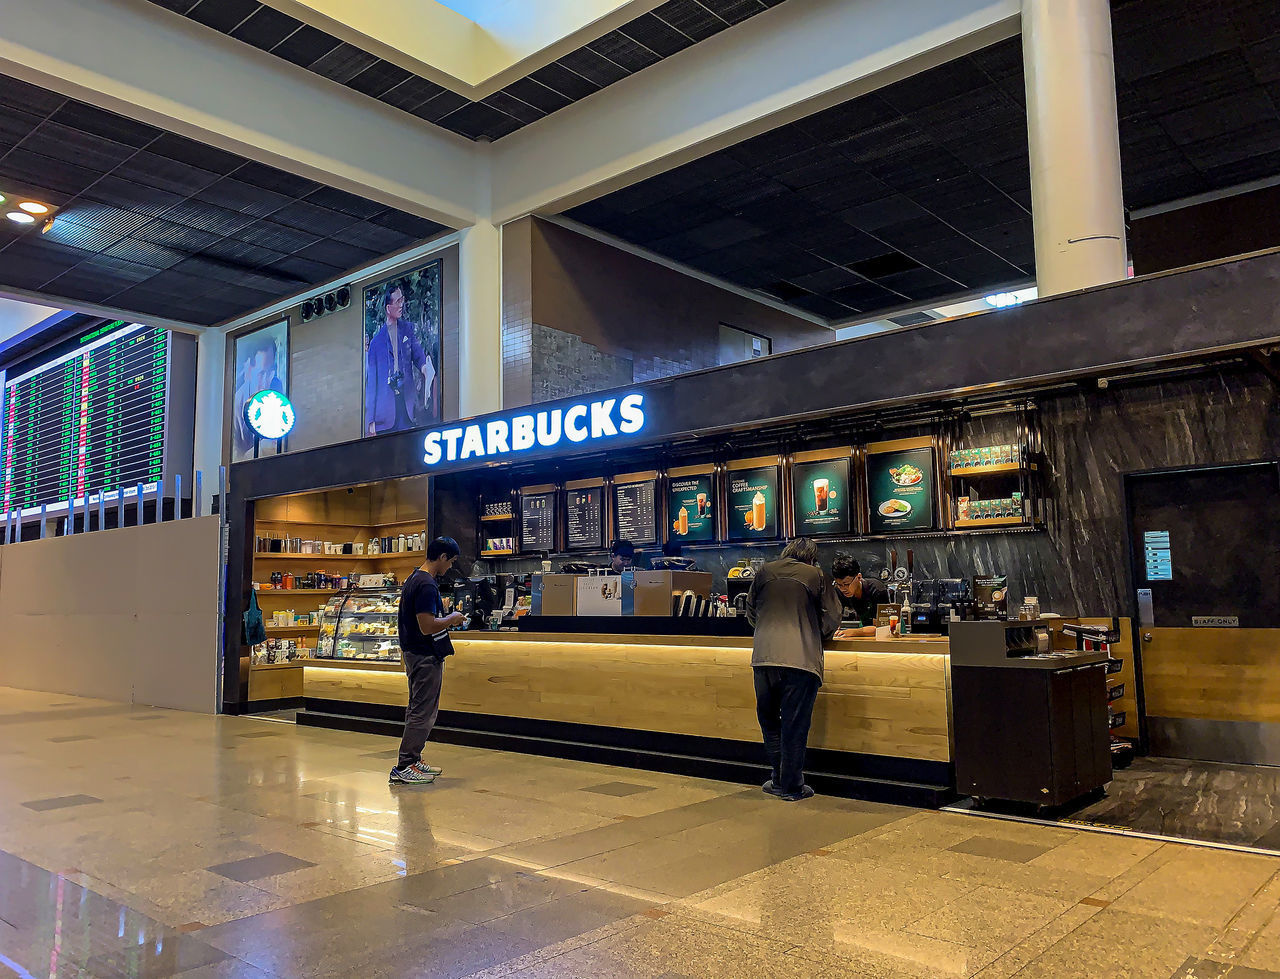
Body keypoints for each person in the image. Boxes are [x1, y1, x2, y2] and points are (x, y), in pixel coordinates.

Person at [746, 537, 842, 802]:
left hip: (764, 658)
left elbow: (750, 611)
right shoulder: (816, 575)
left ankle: (777, 779)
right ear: (811, 557)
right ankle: (792, 787)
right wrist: (815, 633)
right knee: (794, 724)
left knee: (769, 721)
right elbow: (833, 616)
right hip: (800, 660)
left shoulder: (765, 571)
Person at [390, 536, 464, 785]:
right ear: (442, 557)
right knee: (422, 711)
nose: (450, 567)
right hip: (423, 655)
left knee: (418, 708)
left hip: (414, 653)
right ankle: (405, 764)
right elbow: (427, 625)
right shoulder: (426, 584)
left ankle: (413, 758)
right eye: (450, 561)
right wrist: (452, 618)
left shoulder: (415, 577)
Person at [365, 281, 437, 437]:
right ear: (388, 308)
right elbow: (371, 384)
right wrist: (370, 421)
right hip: (384, 416)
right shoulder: (376, 343)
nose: (401, 305)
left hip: (406, 406)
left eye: (402, 300)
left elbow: (418, 354)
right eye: (397, 301)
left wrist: (425, 368)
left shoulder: (408, 330)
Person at [831, 556, 887, 639]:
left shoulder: (877, 590)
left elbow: (883, 628)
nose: (843, 589)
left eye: (846, 584)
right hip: (865, 628)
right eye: (839, 585)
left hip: (889, 629)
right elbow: (835, 620)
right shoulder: (838, 591)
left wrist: (853, 632)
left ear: (859, 577)